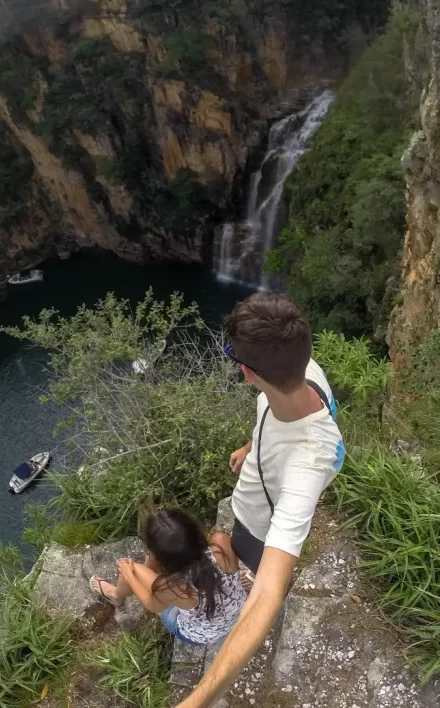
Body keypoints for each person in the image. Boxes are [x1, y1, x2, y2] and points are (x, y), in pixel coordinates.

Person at [176, 291, 345, 706]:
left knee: (250, 565)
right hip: (254, 503)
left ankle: (241, 574)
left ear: (247, 372)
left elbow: (270, 590)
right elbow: (294, 415)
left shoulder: (307, 467)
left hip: (260, 525)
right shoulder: (306, 374)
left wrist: (196, 701)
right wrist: (250, 446)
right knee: (230, 542)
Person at [89, 509, 248, 645]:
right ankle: (129, 581)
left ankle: (116, 594)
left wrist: (129, 574)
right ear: (195, 530)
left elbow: (152, 605)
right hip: (240, 611)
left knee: (132, 567)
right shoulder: (220, 542)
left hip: (201, 635)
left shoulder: (173, 586)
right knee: (149, 564)